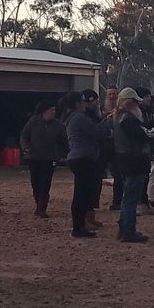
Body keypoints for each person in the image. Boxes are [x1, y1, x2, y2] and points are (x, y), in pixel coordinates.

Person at [64, 90, 108, 238]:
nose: (85, 104)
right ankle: (78, 228)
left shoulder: (72, 118)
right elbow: (97, 132)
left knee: (81, 193)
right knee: (81, 195)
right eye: (83, 101)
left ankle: (80, 226)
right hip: (83, 158)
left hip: (78, 158)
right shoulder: (79, 118)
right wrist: (108, 122)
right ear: (77, 103)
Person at [112, 89, 153, 242]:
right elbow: (143, 135)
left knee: (127, 197)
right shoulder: (128, 120)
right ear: (129, 103)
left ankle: (124, 229)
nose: (138, 105)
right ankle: (128, 231)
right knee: (131, 198)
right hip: (133, 161)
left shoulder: (118, 117)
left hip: (124, 160)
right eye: (135, 102)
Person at [19, 100, 65, 218]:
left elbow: (63, 140)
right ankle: (38, 201)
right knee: (35, 181)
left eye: (54, 110)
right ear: (44, 111)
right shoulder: (33, 122)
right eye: (51, 110)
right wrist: (26, 147)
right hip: (34, 157)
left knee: (46, 182)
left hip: (50, 158)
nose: (54, 112)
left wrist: (61, 153)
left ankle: (41, 208)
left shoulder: (58, 125)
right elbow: (24, 135)